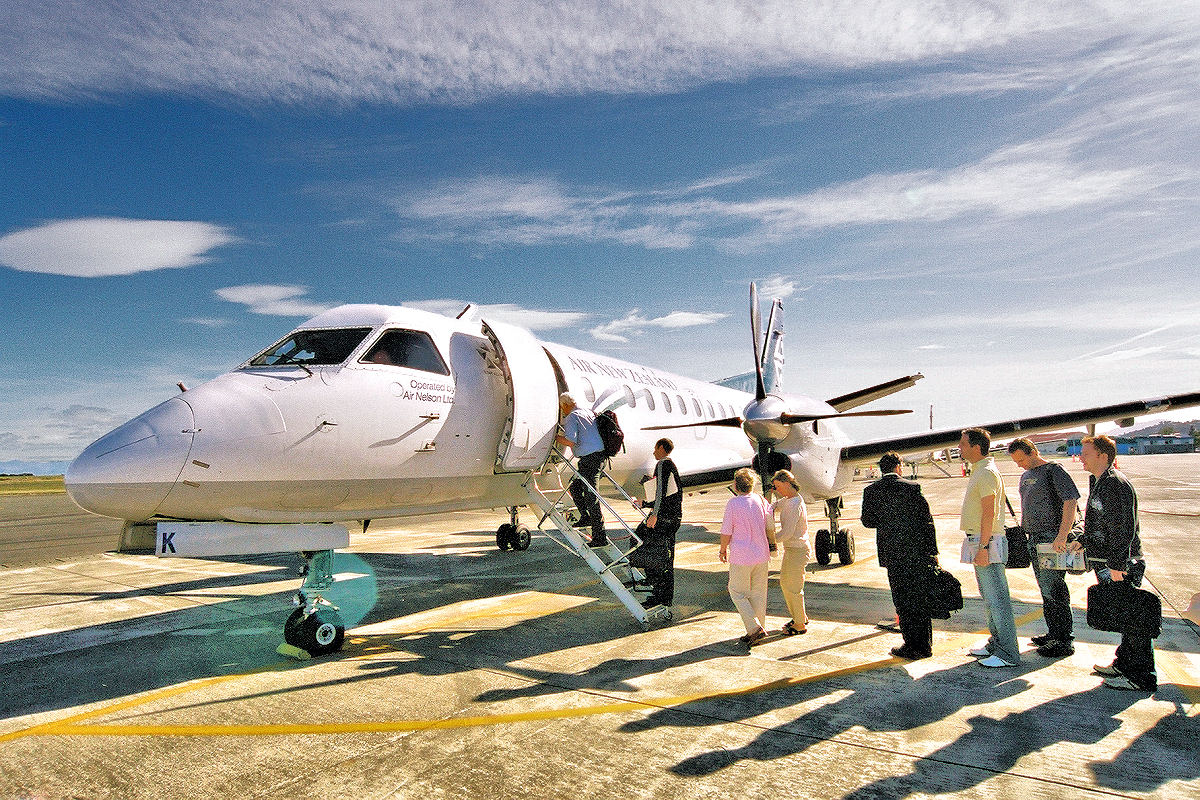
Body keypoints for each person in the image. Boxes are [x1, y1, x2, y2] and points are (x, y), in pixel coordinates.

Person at [1079, 435, 1156, 691]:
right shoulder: (1100, 481)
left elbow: (1124, 528)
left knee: (1134, 619)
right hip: (1109, 561)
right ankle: (1124, 664)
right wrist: (1083, 540)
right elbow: (1101, 522)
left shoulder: (1114, 484)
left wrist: (1117, 564)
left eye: (1086, 453)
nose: (1081, 457)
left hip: (1121, 563)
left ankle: (1141, 676)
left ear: (1102, 456)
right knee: (1125, 615)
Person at [1007, 437, 1081, 658]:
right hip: (1034, 538)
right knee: (1046, 589)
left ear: (1032, 452)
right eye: (1016, 461)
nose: (1019, 465)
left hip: (1051, 539)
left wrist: (1062, 536)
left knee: (1054, 589)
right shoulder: (1026, 475)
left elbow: (1071, 501)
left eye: (1021, 460)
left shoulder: (1053, 471)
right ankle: (1054, 633)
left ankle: (1064, 640)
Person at [861, 451, 939, 659]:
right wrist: (932, 552)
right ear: (898, 467)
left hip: (892, 554)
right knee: (919, 599)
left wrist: (887, 521)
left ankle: (910, 644)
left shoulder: (871, 491)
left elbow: (867, 521)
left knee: (902, 599)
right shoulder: (912, 487)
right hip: (916, 552)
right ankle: (924, 645)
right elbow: (927, 522)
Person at [959, 428, 1020, 667]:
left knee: (997, 600)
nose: (959, 448)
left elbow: (989, 512)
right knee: (989, 598)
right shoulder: (980, 469)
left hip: (988, 541)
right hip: (981, 539)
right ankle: (997, 644)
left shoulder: (985, 472)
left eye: (963, 444)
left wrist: (984, 547)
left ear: (976, 447)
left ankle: (1008, 654)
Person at [720, 468, 775, 646]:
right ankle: (757, 629)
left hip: (742, 555)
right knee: (758, 594)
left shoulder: (733, 504)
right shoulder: (761, 500)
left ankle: (754, 628)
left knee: (737, 592)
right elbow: (770, 523)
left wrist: (722, 550)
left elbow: (726, 531)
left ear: (736, 485)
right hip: (761, 553)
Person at [555, 393, 607, 547]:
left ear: (565, 405)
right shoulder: (588, 412)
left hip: (590, 460)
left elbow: (571, 441)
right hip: (599, 457)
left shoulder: (571, 417)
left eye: (562, 407)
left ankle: (600, 537)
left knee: (591, 497)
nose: (562, 411)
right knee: (576, 487)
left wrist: (555, 438)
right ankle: (585, 517)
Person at [635, 438, 682, 607]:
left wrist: (653, 514)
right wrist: (645, 503)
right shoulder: (671, 466)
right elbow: (669, 495)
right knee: (665, 557)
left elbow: (661, 491)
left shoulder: (662, 464)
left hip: (664, 518)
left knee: (640, 539)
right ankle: (663, 595)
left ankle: (653, 581)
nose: (653, 452)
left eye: (655, 448)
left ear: (661, 448)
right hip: (673, 517)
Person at [770, 469, 811, 636]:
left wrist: (769, 541)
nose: (777, 490)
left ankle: (800, 624)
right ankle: (800, 617)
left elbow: (787, 533)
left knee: (793, 587)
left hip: (798, 549)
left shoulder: (794, 504)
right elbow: (774, 506)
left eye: (779, 486)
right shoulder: (788, 499)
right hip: (791, 549)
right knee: (786, 584)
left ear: (787, 483)